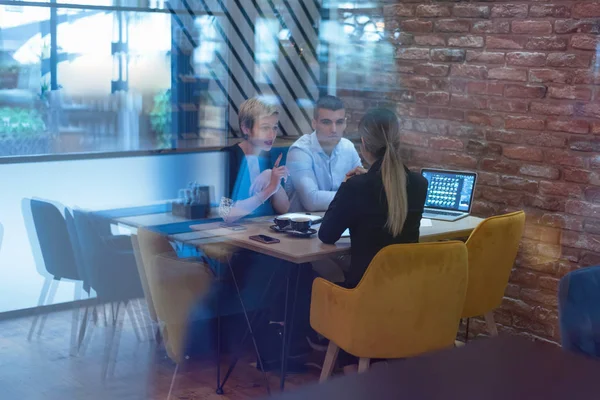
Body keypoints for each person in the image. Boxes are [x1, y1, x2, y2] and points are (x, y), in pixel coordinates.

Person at [317, 107, 428, 372]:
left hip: (363, 296)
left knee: (316, 273)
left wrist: (346, 187)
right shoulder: (419, 184)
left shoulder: (357, 187)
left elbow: (327, 234)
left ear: (364, 144)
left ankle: (346, 360)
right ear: (398, 141)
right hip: (405, 292)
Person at [286, 95, 362, 212]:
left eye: (339, 122)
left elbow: (362, 188)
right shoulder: (300, 150)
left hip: (337, 222)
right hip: (302, 227)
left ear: (345, 123)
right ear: (314, 123)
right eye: (326, 122)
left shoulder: (348, 147)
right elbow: (311, 201)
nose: (334, 129)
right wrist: (352, 196)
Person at [221, 97, 290, 222]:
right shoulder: (229, 156)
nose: (271, 134)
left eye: (274, 127)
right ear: (246, 128)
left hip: (263, 230)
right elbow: (226, 214)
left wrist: (274, 181)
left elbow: (284, 209)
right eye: (264, 128)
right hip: (236, 235)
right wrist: (270, 189)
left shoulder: (267, 156)